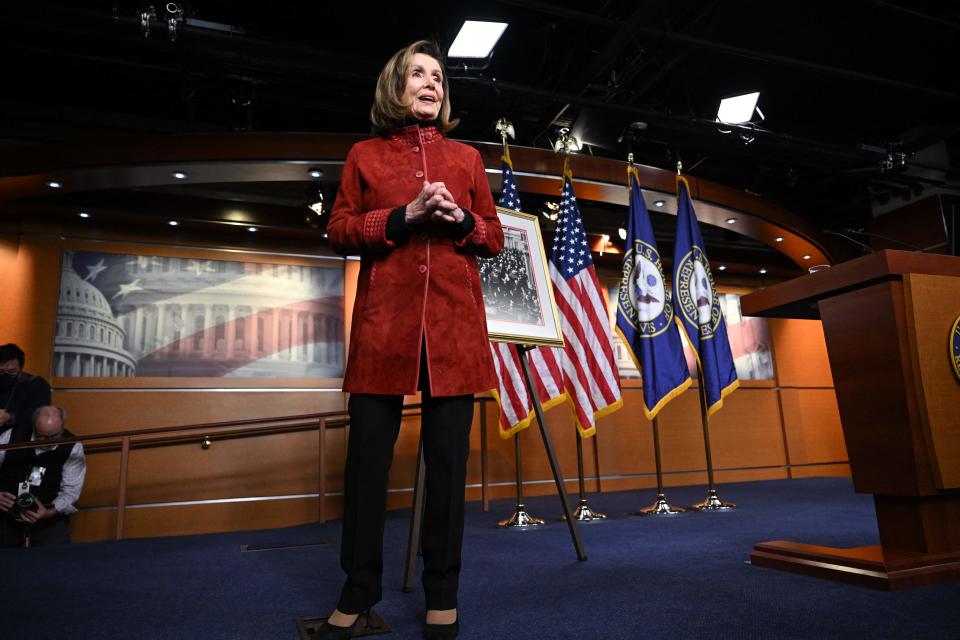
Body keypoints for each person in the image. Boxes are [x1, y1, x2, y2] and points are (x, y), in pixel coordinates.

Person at [322, 40, 504, 640]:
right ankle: (358, 590)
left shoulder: (468, 158)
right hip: (383, 333)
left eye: (437, 76)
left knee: (449, 468)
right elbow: (340, 229)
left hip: (454, 336)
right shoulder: (363, 156)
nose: (430, 83)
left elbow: (496, 237)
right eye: (417, 74)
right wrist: (404, 217)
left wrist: (465, 222)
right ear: (394, 86)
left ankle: (443, 594)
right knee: (367, 466)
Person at [0, 405, 86, 547]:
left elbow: (71, 491)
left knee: (56, 558)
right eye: (42, 436)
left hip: (47, 511)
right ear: (34, 427)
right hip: (5, 509)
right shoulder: (12, 435)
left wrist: (49, 512)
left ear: (63, 427)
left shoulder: (73, 446)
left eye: (55, 436)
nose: (49, 441)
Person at [0, 343, 52, 431]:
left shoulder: (36, 384)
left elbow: (40, 412)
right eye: (1, 371)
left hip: (21, 438)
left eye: (12, 371)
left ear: (21, 368)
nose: (5, 375)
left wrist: (10, 417)